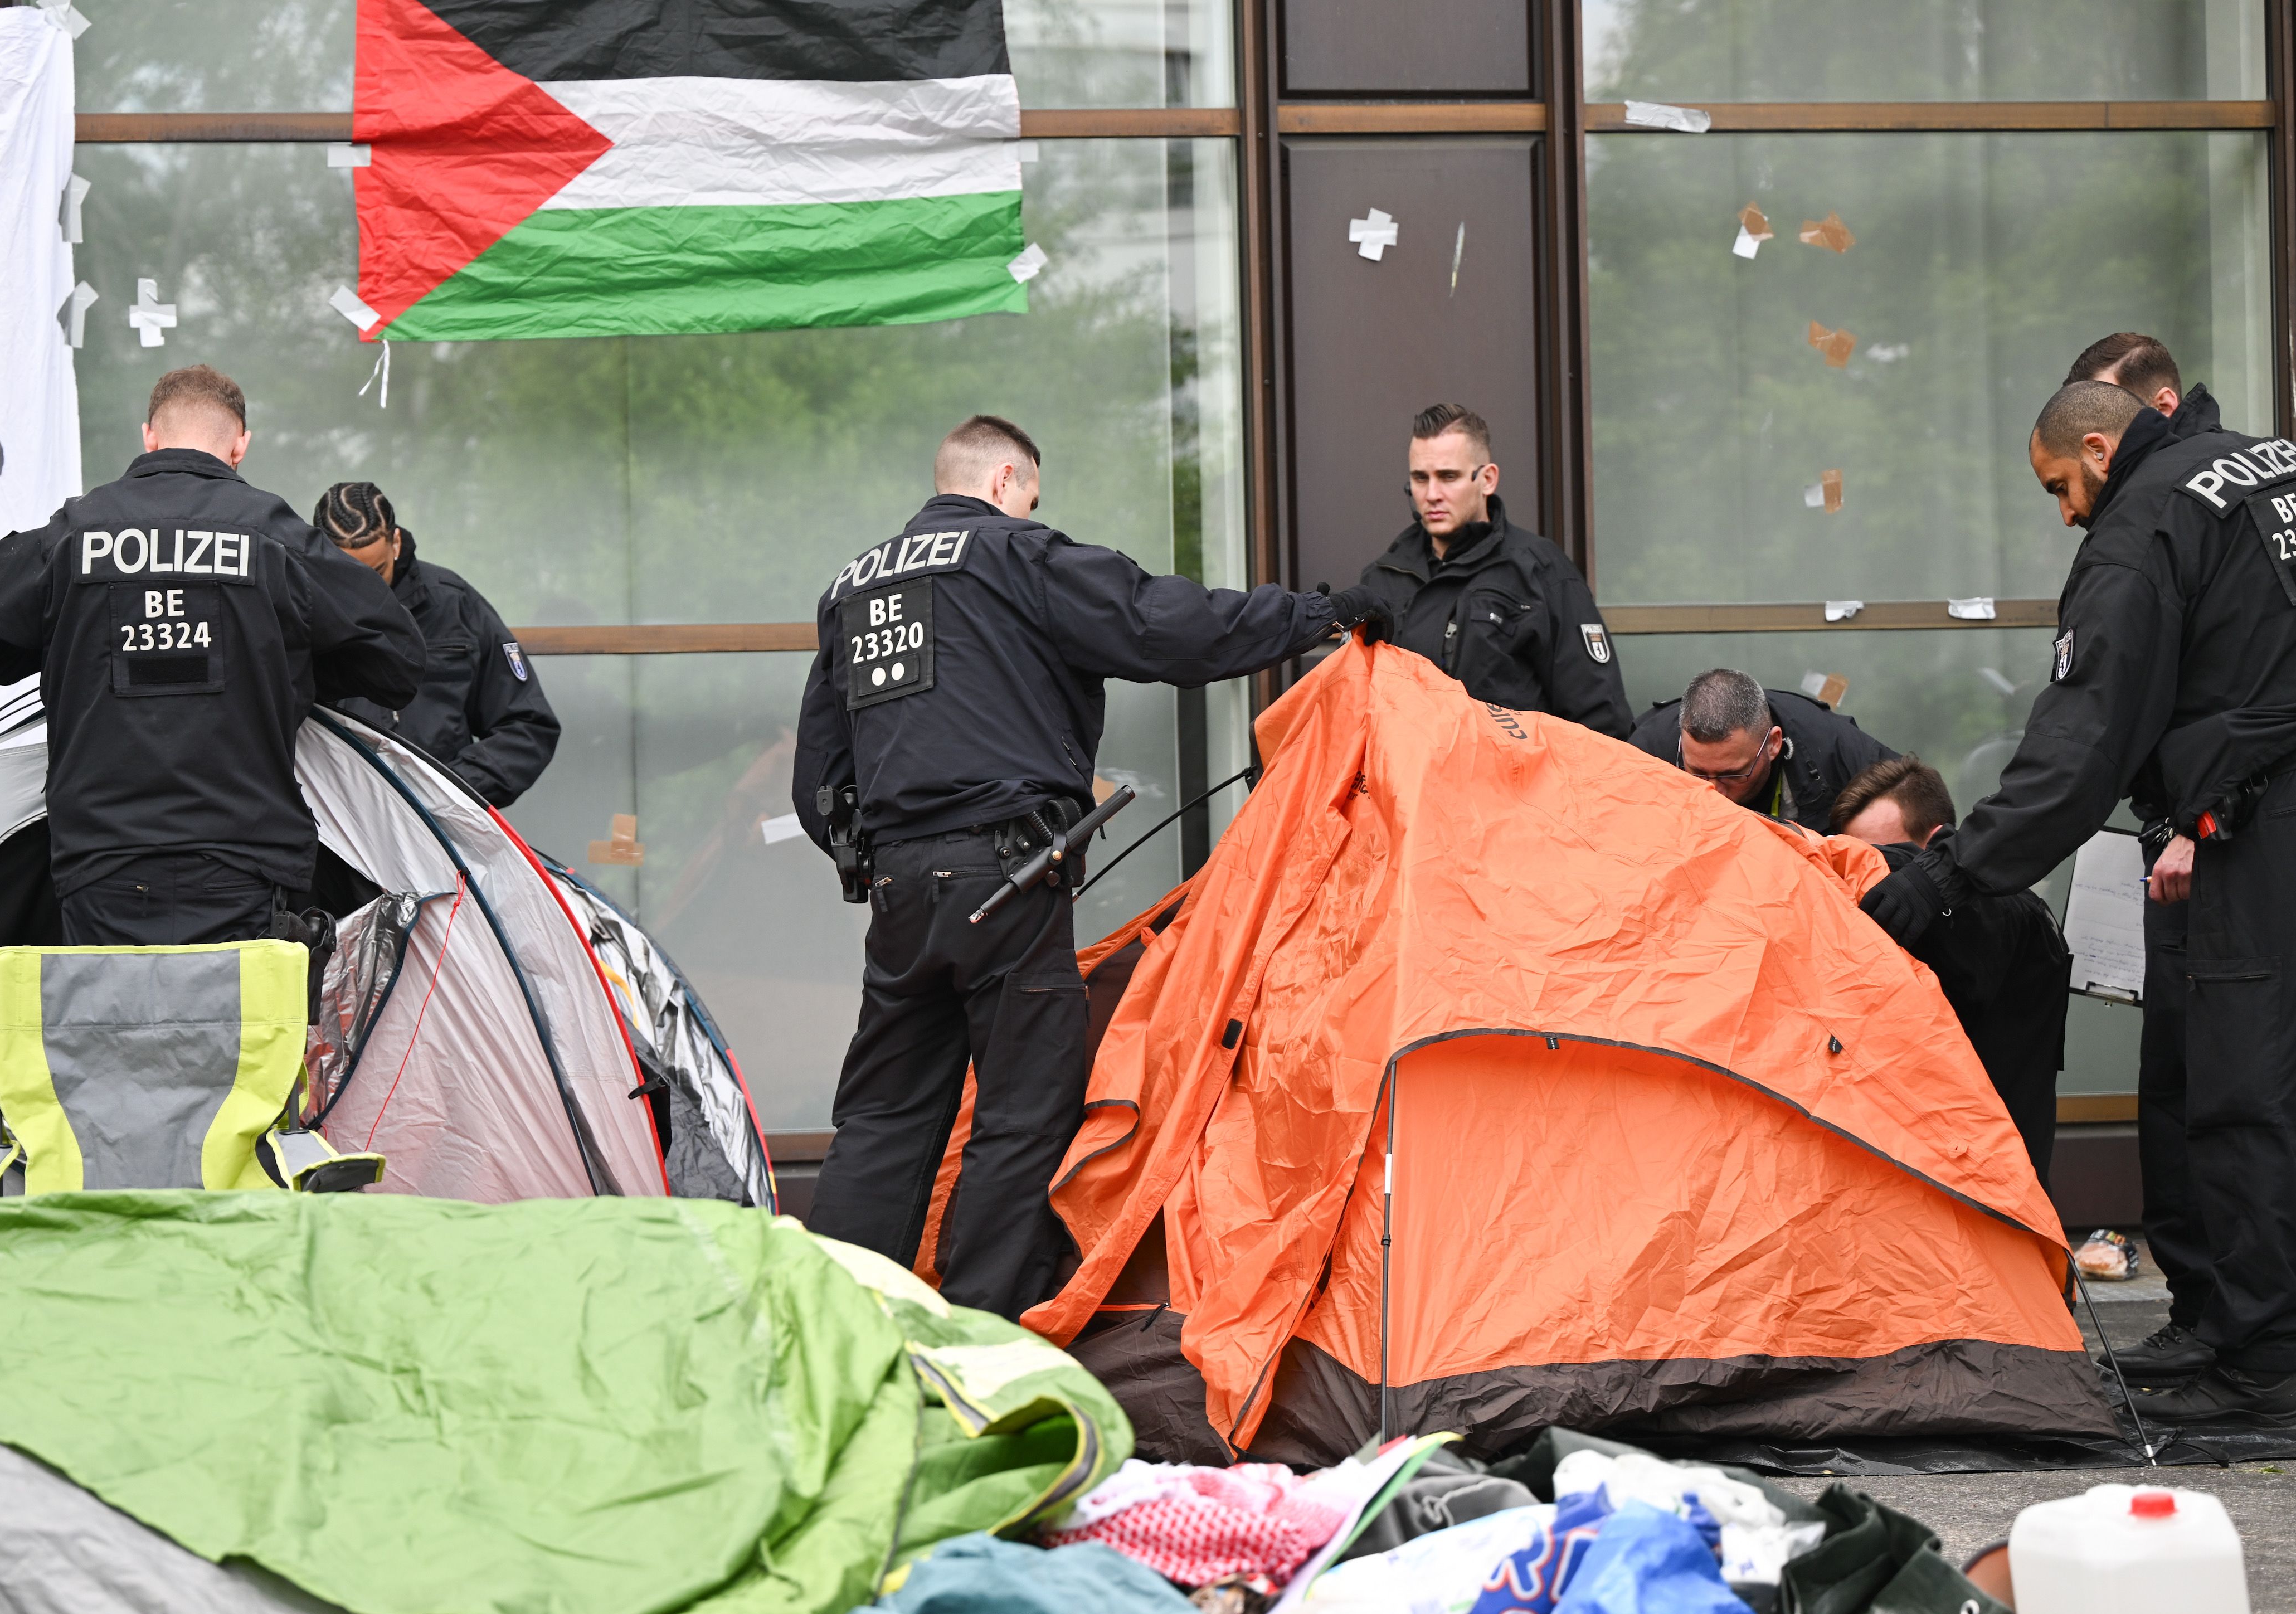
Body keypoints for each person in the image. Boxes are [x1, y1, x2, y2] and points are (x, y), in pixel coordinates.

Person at [1865, 378, 2296, 1430]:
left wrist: (1947, 876)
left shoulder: (2142, 524)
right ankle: (2257, 1324)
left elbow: (2081, 746)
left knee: (2245, 1078)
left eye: (2061, 485)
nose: (2066, 511)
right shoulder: (2289, 466)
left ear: (2102, 450)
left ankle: (2258, 1364)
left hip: (2286, 810)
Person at [791, 414, 1393, 1318]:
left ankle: (828, 1330)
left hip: (900, 896)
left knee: (882, 1122)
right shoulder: (1017, 556)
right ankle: (982, 1342)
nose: (1034, 512)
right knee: (1021, 1117)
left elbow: (821, 775)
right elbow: (1168, 626)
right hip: (1008, 879)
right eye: (1031, 496)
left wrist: (876, 865)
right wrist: (1319, 614)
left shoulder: (853, 589)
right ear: (1004, 483)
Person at [0, 366, 425, 943]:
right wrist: (286, 665)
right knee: (242, 1032)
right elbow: (399, 660)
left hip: (100, 859)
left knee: (110, 1029)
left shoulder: (75, 535)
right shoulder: (275, 539)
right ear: (240, 445)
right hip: (244, 858)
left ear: (150, 437)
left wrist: (67, 643)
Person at [2066, 336, 2296, 1375]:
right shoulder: (2271, 480)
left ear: (2157, 407)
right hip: (2235, 814)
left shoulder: (2181, 501)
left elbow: (2250, 686)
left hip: (2227, 827)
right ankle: (2268, 1311)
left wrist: (2197, 816)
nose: (2081, 494)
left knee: (2221, 1084)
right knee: (2252, 1079)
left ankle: (2241, 1324)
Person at [1833, 756, 2066, 1184]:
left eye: (1888, 861)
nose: (1872, 883)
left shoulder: (2004, 920)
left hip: (1989, 1186)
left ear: (1940, 844)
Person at [1344, 404, 1632, 738]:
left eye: (1448, 477)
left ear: (1488, 479)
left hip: (1514, 785)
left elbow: (1599, 718)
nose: (1432, 495)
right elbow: (1354, 707)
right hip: (1401, 786)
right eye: (1420, 479)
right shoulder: (1382, 578)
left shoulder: (1540, 572)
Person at [314, 480, 561, 809]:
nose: (364, 588)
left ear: (396, 542)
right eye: (347, 574)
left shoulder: (454, 605)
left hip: (439, 841)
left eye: (377, 571)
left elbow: (527, 728)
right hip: (330, 836)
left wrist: (448, 794)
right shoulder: (293, 610)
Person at [1631, 667, 1894, 832]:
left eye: (1732, 774)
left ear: (1773, 744)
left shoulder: (1831, 745)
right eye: (1697, 772)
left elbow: (1925, 811)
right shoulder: (1642, 757)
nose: (1714, 791)